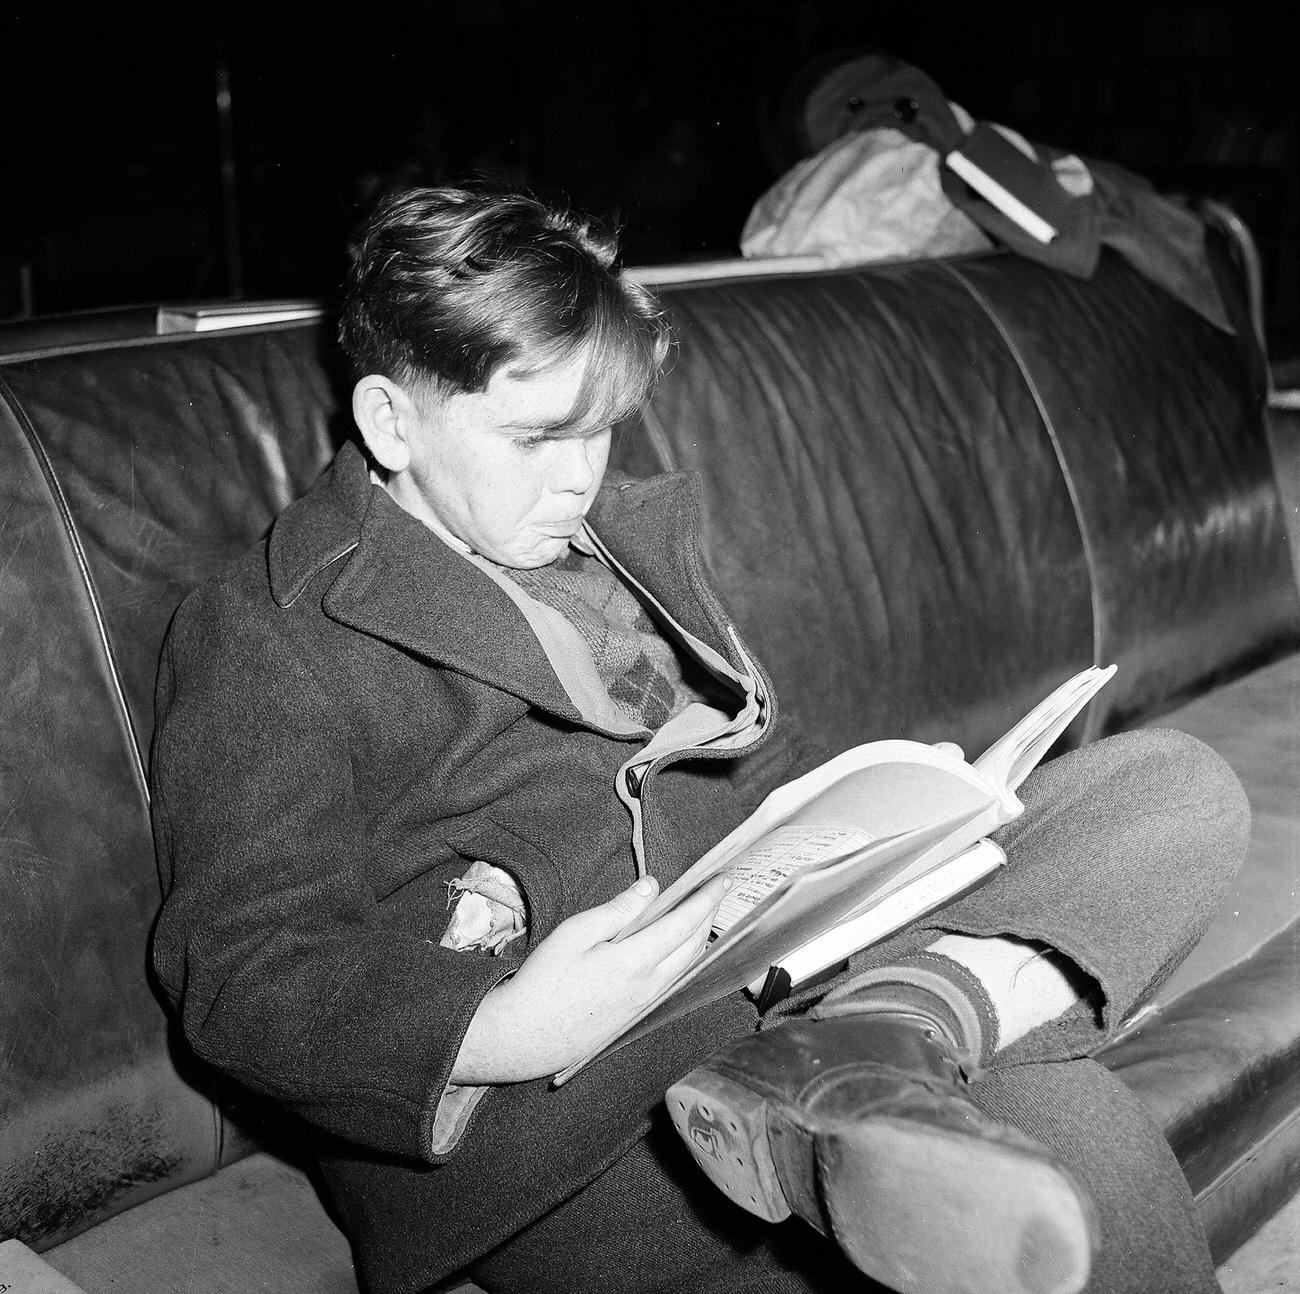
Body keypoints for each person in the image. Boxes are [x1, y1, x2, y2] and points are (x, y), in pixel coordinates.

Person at [150, 185, 1249, 1294]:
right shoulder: (270, 631)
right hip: (581, 1118)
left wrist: (902, 823)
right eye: (536, 436)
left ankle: (885, 1033)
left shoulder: (620, 543)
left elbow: (760, 777)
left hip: (780, 975)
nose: (580, 476)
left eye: (600, 428)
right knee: (1064, 1123)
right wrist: (500, 1022)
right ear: (393, 421)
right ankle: (904, 1035)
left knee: (1172, 788)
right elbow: (244, 971)